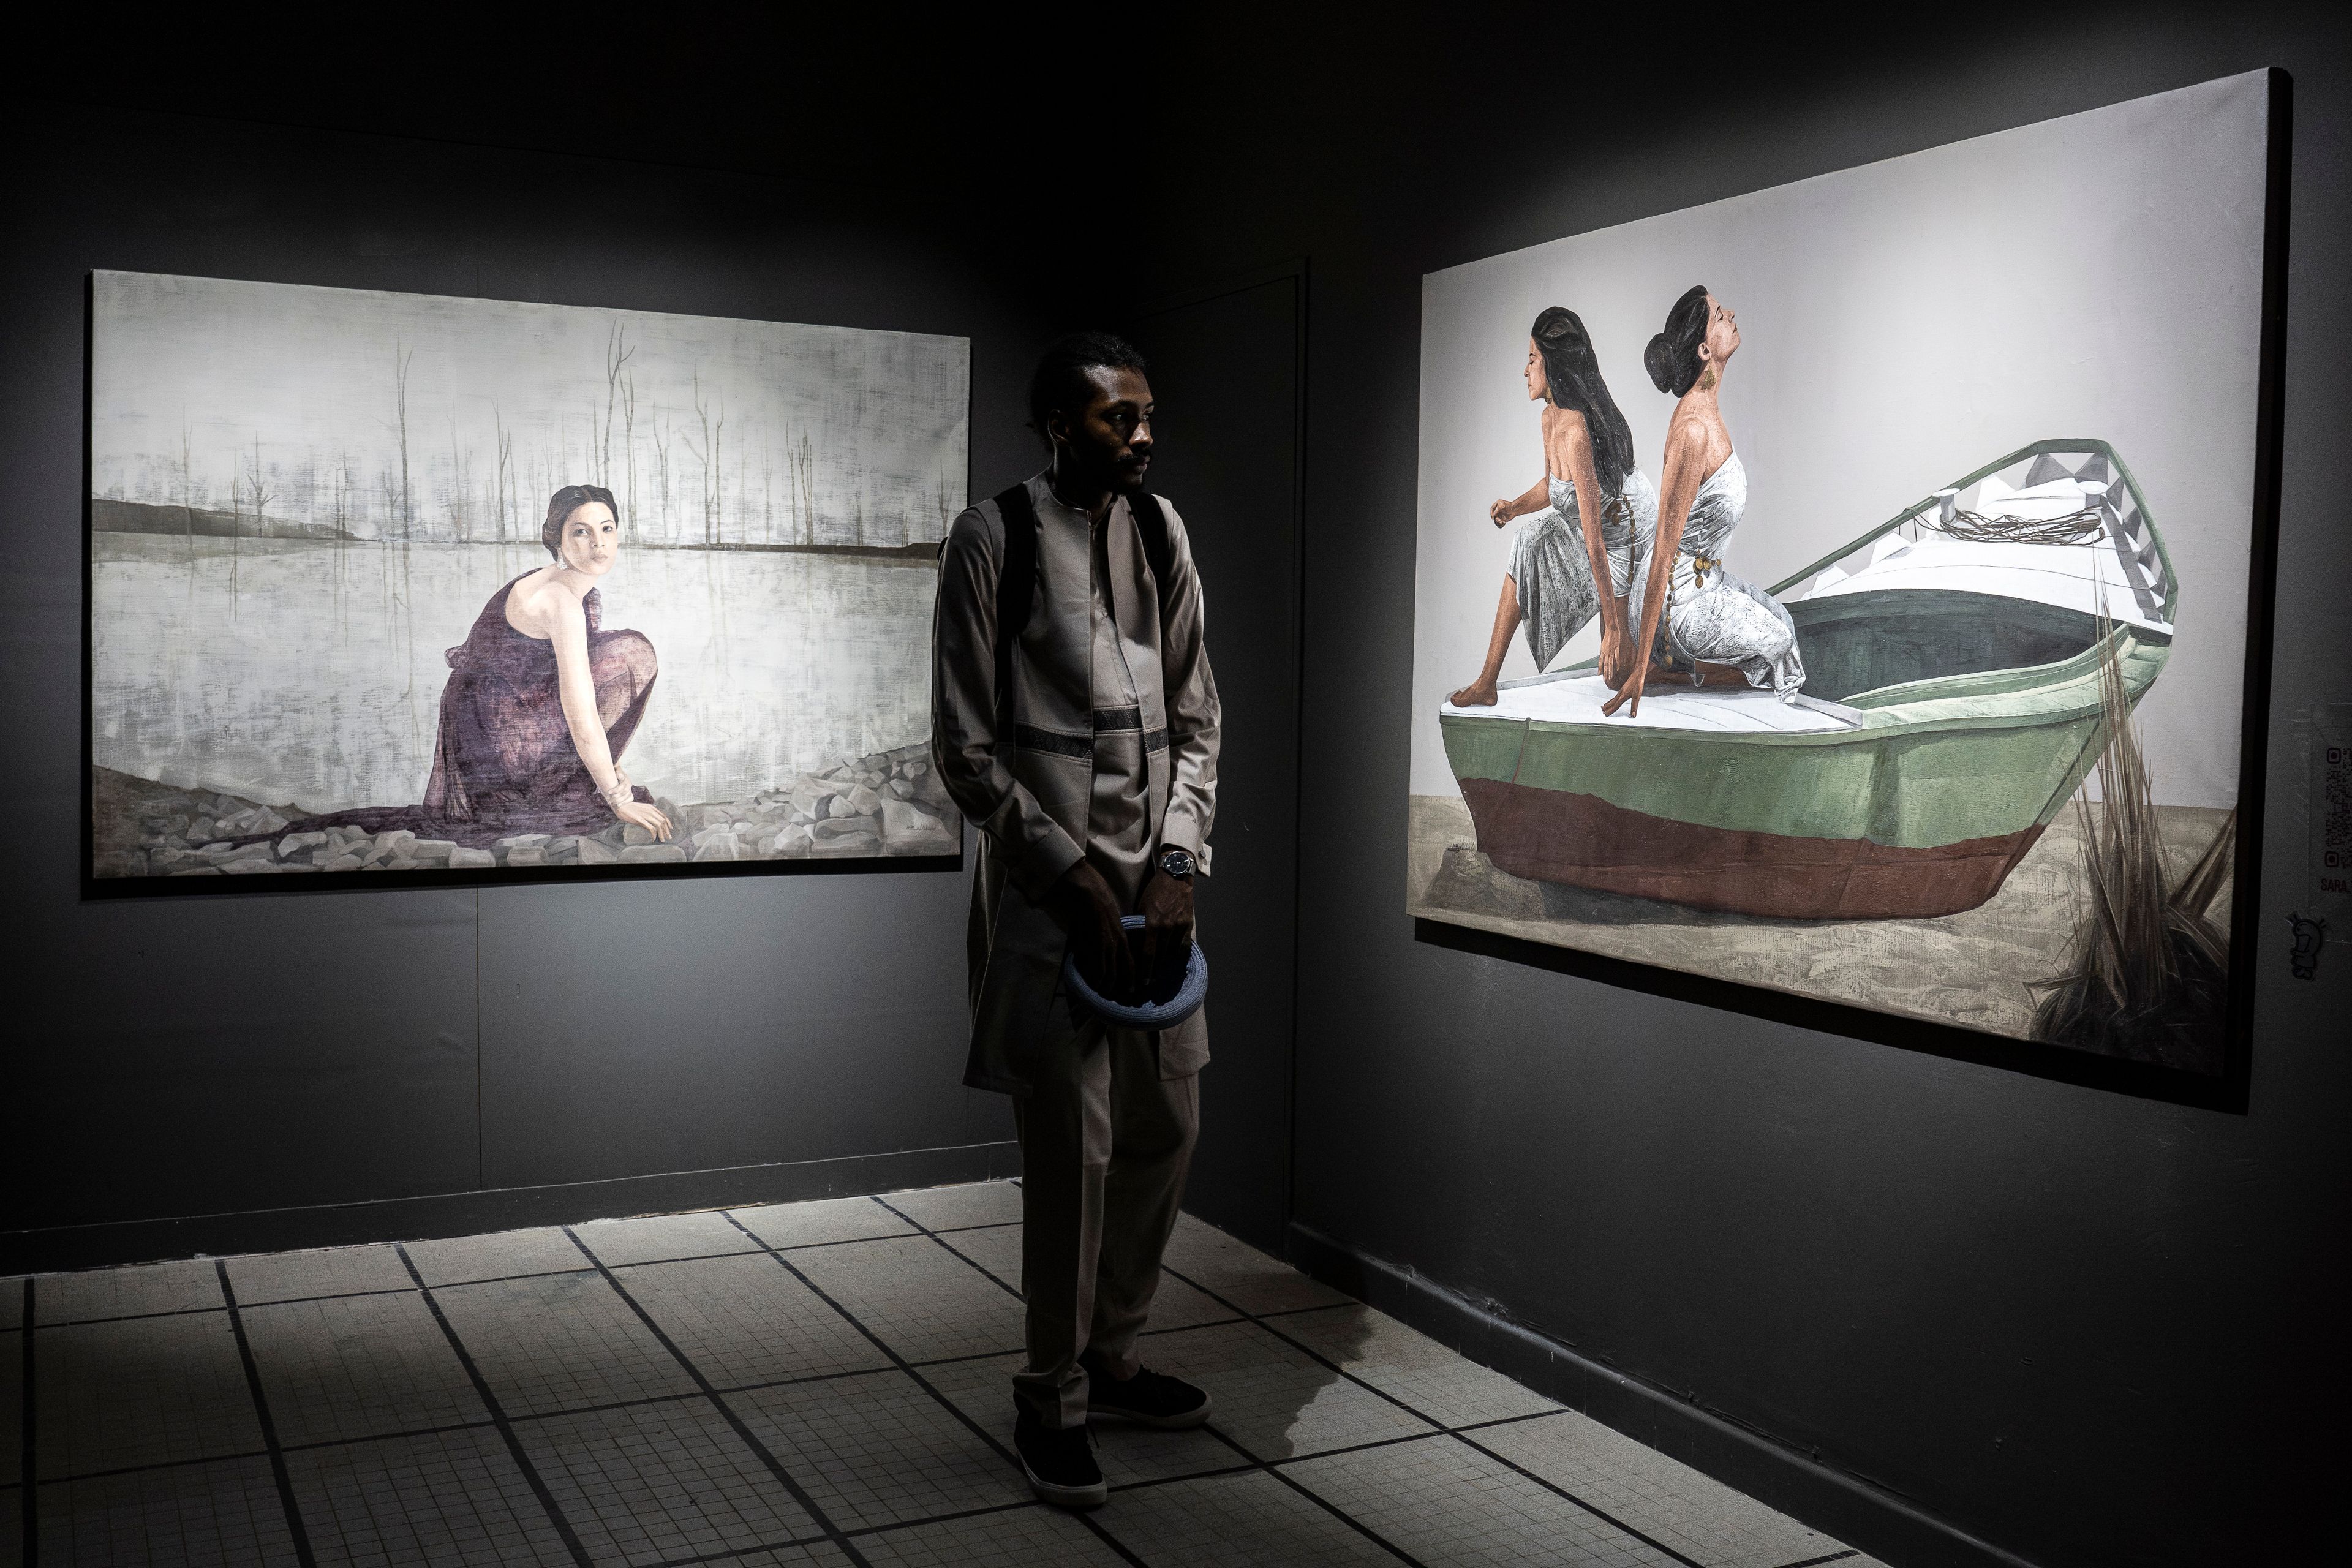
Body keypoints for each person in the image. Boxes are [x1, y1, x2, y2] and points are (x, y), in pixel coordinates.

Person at [930, 332, 1221, 1509]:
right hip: (1056, 908)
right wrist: (1073, 874)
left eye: (1148, 415)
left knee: (1167, 1128)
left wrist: (1179, 861)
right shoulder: (990, 537)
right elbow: (962, 748)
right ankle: (1050, 1394)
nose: (1144, 434)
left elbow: (1200, 720)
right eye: (1118, 419)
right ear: (1060, 424)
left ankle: (1115, 1350)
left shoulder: (1163, 534)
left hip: (1158, 905)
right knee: (1075, 1157)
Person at [251, 484, 673, 847]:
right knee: (634, 655)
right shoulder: (559, 599)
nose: (597, 543)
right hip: (495, 745)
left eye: (607, 530)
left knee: (623, 652)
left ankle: (582, 779)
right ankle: (564, 788)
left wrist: (614, 771)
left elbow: (575, 697)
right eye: (580, 532)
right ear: (557, 540)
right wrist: (619, 798)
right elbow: (581, 714)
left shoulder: (560, 584)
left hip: (492, 727)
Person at [1605, 287, 1805, 718]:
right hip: (1677, 606)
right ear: (1703, 348)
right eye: (1718, 315)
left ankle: (1672, 671)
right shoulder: (1694, 431)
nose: (1730, 313)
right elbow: (1663, 550)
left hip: (1702, 583)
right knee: (1779, 647)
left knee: (1784, 625)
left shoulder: (1708, 412)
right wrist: (1639, 667)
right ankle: (1663, 671)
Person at [1451, 307, 1657, 706]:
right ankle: (1486, 683)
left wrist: (1613, 628)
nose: (1524, 371)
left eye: (1531, 360)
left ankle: (1657, 652)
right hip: (1594, 523)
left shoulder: (1578, 431)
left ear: (1554, 364)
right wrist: (1513, 507)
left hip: (1627, 530)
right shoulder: (1550, 420)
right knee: (1526, 541)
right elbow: (1555, 485)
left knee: (1616, 676)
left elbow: (1596, 542)